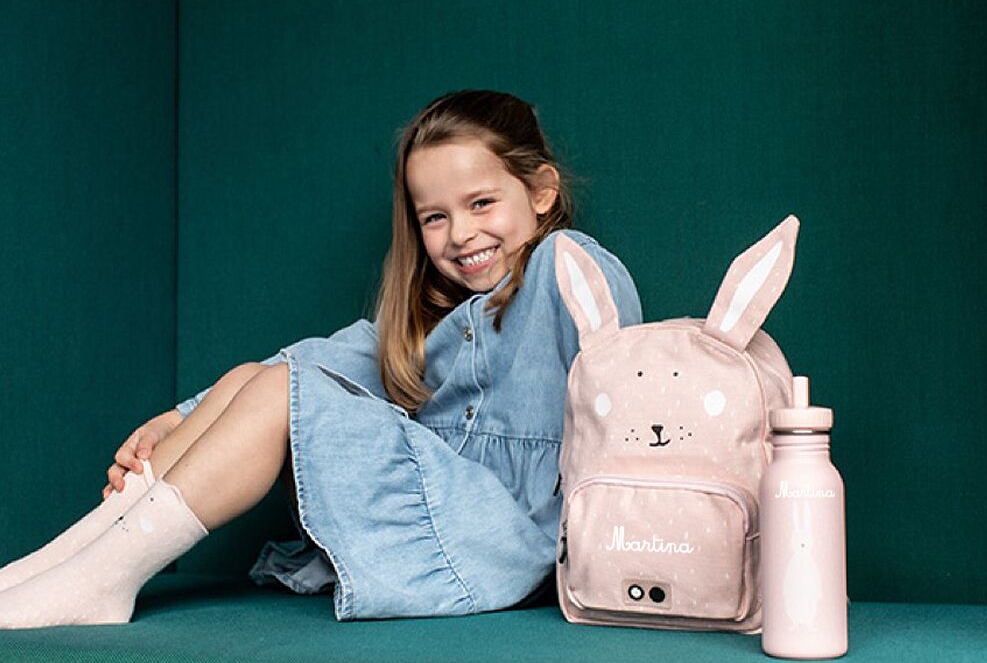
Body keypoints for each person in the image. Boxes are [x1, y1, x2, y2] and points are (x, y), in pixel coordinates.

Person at [0, 90, 642, 627]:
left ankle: (101, 579)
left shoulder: (567, 266)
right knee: (262, 376)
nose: (461, 234)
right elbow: (319, 360)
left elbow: (625, 394)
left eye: (481, 204)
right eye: (434, 217)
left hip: (511, 541)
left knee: (283, 388)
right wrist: (177, 419)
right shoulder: (437, 318)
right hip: (452, 518)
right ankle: (72, 560)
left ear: (541, 192)